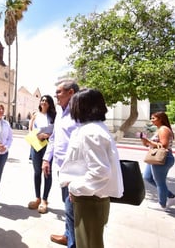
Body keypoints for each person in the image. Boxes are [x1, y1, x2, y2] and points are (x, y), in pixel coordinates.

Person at [59, 88, 124, 248]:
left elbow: (100, 171)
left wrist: (75, 187)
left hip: (89, 199)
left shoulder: (90, 132)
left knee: (88, 243)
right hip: (90, 197)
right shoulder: (94, 128)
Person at [42, 80, 79, 247]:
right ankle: (67, 235)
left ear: (70, 93)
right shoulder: (60, 113)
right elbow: (54, 138)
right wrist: (46, 159)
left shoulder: (80, 114)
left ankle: (73, 243)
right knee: (67, 206)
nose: (55, 95)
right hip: (61, 168)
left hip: (75, 171)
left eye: (58, 92)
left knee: (72, 209)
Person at [141, 111, 175, 211]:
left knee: (160, 182)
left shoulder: (164, 129)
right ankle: (171, 196)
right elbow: (152, 144)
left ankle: (162, 205)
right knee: (147, 177)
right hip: (154, 157)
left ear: (160, 119)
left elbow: (164, 145)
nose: (151, 120)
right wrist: (145, 141)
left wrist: (148, 141)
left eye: (153, 118)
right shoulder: (158, 129)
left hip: (162, 157)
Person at [27, 95, 56, 213]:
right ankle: (37, 198)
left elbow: (56, 131)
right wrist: (37, 136)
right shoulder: (35, 115)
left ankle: (45, 200)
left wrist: (47, 136)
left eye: (46, 101)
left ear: (50, 104)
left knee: (47, 171)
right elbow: (30, 130)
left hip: (48, 145)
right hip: (36, 145)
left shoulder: (54, 116)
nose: (44, 102)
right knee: (37, 172)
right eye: (42, 100)